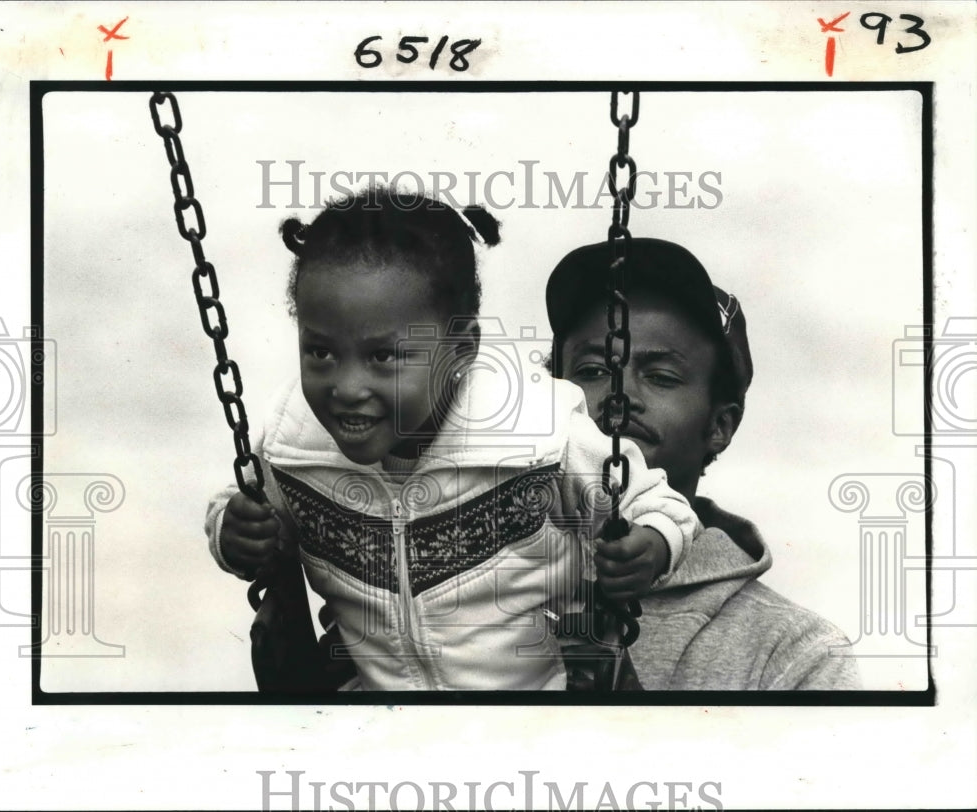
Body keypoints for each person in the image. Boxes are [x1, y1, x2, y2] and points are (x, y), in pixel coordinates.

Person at [204, 187, 699, 691]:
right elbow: (240, 509)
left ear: (461, 348)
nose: (347, 388)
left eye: (383, 358)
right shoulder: (294, 445)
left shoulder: (536, 433)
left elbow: (654, 501)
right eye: (321, 353)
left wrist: (653, 543)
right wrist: (233, 533)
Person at [547, 238, 862, 689]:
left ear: (720, 425)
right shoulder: (481, 582)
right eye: (593, 371)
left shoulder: (795, 654)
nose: (621, 397)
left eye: (661, 377)